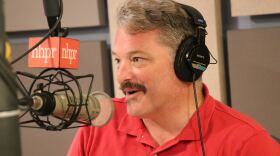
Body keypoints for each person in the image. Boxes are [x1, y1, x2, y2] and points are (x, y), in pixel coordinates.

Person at [67, 0, 280, 155]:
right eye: (118, 60)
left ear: (186, 63)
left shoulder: (247, 144)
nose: (122, 76)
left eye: (137, 59)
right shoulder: (99, 123)